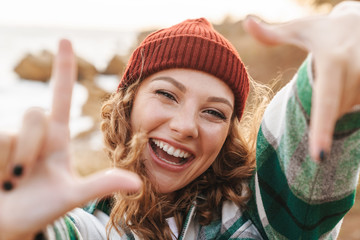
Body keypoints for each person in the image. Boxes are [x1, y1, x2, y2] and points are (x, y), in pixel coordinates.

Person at [0, 1, 360, 239]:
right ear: (127, 104)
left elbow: (300, 150)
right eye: (167, 95)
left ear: (227, 136)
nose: (186, 126)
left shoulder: (257, 214)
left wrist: (340, 75)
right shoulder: (89, 223)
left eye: (214, 112)